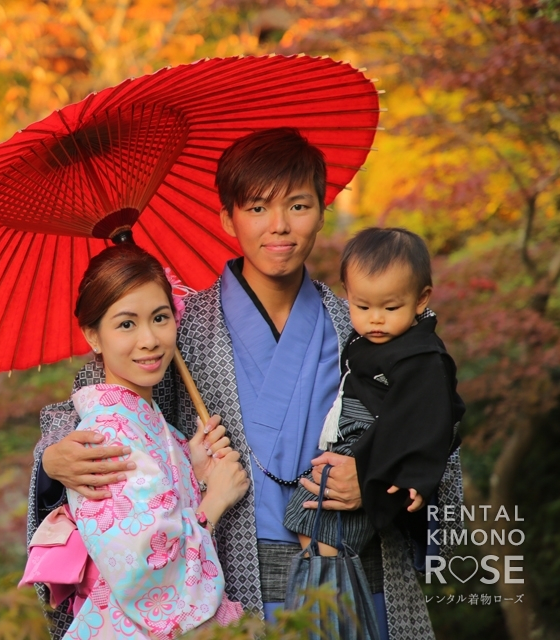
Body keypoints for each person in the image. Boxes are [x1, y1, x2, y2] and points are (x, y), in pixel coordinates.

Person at [29, 127, 464, 640]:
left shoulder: (366, 321)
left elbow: (435, 436)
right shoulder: (180, 328)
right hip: (237, 586)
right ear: (227, 217)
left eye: (298, 206)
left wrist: (376, 479)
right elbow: (101, 397)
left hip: (362, 580)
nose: (279, 227)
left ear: (323, 212)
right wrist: (54, 457)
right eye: (257, 208)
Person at [25, 243, 250, 638]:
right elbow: (146, 572)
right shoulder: (108, 436)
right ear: (92, 335)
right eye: (126, 324)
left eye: (160, 318)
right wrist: (214, 500)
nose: (149, 339)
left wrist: (190, 466)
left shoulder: (151, 423)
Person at [283, 228, 464, 559]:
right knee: (308, 523)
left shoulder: (422, 358)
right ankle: (322, 595)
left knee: (325, 534)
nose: (376, 320)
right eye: (362, 306)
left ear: (421, 299)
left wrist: (413, 479)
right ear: (347, 295)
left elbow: (432, 424)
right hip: (348, 440)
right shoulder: (361, 338)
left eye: (391, 308)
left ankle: (328, 602)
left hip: (376, 447)